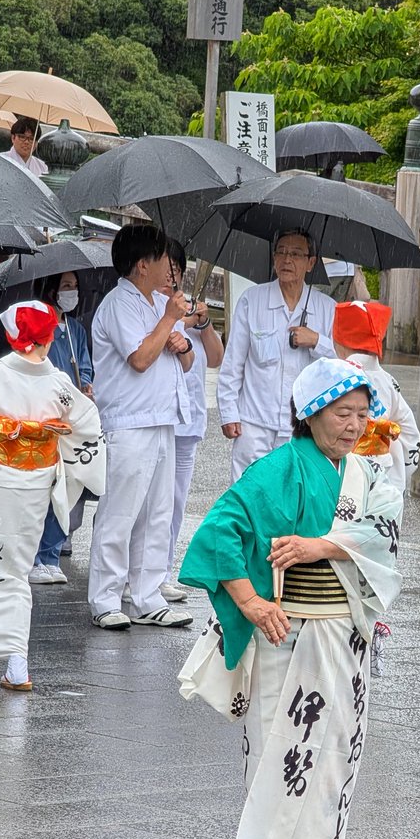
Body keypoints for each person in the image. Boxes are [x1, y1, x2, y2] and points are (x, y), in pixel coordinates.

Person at [178, 358, 402, 839]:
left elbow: (384, 529)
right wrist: (251, 601)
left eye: (361, 414)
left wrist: (320, 545)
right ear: (310, 415)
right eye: (341, 413)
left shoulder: (368, 474)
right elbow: (219, 530)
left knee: (336, 752)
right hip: (291, 629)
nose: (353, 425)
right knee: (286, 745)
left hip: (344, 634)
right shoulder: (279, 468)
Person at [0, 301, 104, 690]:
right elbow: (87, 429)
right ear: (50, 338)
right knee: (16, 571)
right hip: (33, 486)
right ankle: (17, 666)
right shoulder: (61, 385)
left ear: (13, 337)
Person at [87, 224, 194, 630]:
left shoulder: (156, 303)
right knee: (120, 513)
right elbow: (140, 358)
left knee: (156, 514)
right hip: (129, 422)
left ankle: (147, 596)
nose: (169, 266)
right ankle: (105, 598)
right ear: (141, 264)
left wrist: (177, 335)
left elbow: (184, 361)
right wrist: (168, 319)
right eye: (162, 257)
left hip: (163, 418)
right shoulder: (120, 303)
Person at [217, 230, 336, 482]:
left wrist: (316, 340)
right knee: (247, 495)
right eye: (280, 252)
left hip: (301, 426)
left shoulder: (327, 308)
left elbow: (341, 365)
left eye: (295, 254)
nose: (286, 260)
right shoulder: (253, 300)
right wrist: (229, 412)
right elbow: (233, 362)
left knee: (292, 495)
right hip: (253, 422)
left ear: (311, 262)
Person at [162, 238, 224, 602]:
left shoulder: (193, 313)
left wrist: (204, 324)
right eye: (166, 270)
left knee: (175, 502)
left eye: (176, 271)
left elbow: (215, 359)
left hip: (189, 425)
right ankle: (134, 572)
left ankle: (163, 570)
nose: (171, 277)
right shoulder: (158, 310)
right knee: (149, 502)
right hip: (162, 420)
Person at [29, 271, 95, 584]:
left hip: (71, 417)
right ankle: (35, 553)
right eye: (66, 286)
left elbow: (84, 365)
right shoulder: (38, 324)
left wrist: (87, 384)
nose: (72, 292)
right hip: (42, 415)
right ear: (51, 288)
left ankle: (51, 554)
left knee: (66, 486)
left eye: (75, 287)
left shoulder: (75, 328)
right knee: (41, 485)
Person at [332, 298, 420, 494]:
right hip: (384, 477)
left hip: (339, 475)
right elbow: (410, 433)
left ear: (339, 341)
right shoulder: (388, 382)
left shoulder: (333, 378)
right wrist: (402, 470)